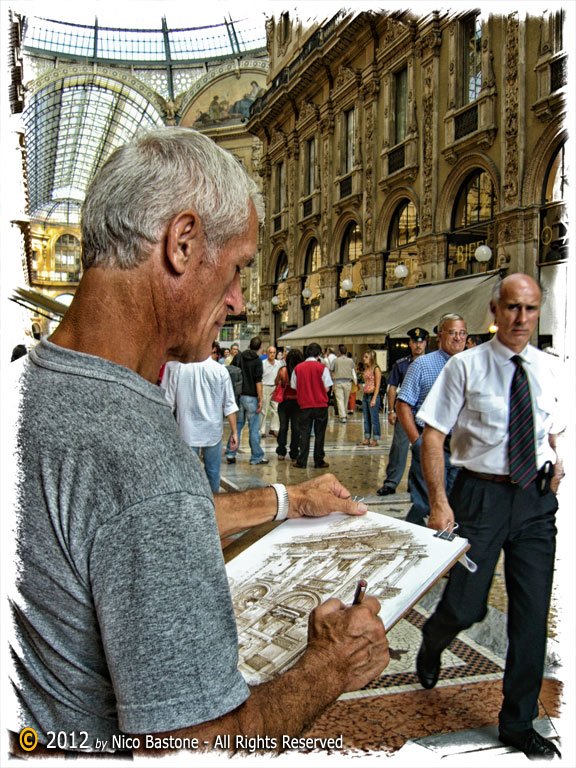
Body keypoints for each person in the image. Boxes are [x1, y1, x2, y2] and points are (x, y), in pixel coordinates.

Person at [6, 127, 389, 757]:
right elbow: (194, 747)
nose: (239, 300)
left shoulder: (28, 382)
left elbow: (109, 527)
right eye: (238, 266)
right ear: (182, 244)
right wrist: (333, 665)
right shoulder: (141, 454)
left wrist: (285, 500)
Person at [416, 274, 565, 760]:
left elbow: (555, 429)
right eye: (512, 308)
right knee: (466, 605)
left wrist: (560, 462)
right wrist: (439, 502)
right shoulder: (465, 367)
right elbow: (434, 435)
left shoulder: (552, 369)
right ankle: (435, 637)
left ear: (538, 312)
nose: (521, 318)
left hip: (535, 502)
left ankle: (517, 722)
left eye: (530, 309)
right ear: (494, 310)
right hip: (480, 497)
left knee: (531, 614)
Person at [396, 315, 467, 525]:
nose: (457, 338)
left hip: (462, 449)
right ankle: (418, 546)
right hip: (430, 444)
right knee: (427, 505)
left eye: (462, 333)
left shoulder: (471, 364)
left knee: (456, 504)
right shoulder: (422, 365)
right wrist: (418, 442)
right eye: (452, 332)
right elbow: (403, 404)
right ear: (440, 335)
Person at [162, 344, 239, 493]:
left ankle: (191, 505)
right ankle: (213, 505)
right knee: (213, 472)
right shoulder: (220, 370)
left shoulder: (179, 368)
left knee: (187, 474)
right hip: (213, 431)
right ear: (212, 349)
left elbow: (168, 403)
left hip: (186, 431)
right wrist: (234, 432)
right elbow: (229, 404)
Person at [376, 327, 429, 495]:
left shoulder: (432, 362)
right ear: (410, 344)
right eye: (415, 342)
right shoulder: (401, 364)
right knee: (399, 448)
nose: (418, 345)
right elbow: (392, 388)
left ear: (425, 343)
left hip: (426, 413)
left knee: (423, 449)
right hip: (405, 412)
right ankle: (391, 483)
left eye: (421, 342)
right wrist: (391, 410)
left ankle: (416, 485)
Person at [225, 336, 268, 466]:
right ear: (260, 348)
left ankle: (231, 453)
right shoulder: (257, 361)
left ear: (249, 345)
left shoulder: (239, 356)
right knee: (254, 428)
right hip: (251, 397)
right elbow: (258, 381)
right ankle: (256, 457)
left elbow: (230, 371)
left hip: (238, 396)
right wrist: (260, 399)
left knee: (237, 426)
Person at [291, 342, 332, 469]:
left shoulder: (298, 368)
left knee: (304, 433)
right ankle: (319, 460)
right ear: (318, 354)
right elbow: (327, 387)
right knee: (320, 434)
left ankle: (301, 460)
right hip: (320, 405)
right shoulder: (322, 368)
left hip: (304, 405)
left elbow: (293, 386)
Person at [275, 348, 304, 462]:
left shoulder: (283, 370)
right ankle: (294, 452)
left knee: (283, 427)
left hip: (284, 402)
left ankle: (281, 451)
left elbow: (276, 382)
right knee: (296, 428)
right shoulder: (301, 371)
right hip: (297, 403)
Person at [358, 350, 382, 446]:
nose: (364, 358)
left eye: (366, 357)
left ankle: (375, 439)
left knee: (374, 418)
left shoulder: (376, 369)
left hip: (373, 395)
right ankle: (367, 437)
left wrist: (374, 398)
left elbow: (378, 385)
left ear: (372, 358)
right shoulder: (366, 369)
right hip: (365, 395)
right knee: (366, 418)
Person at [331, 344, 357, 423]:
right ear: (346, 352)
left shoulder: (335, 360)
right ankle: (344, 414)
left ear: (339, 351)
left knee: (340, 400)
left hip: (338, 382)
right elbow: (353, 370)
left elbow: (331, 370)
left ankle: (342, 416)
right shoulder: (350, 360)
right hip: (348, 382)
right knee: (346, 399)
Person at [260, 344, 282, 438]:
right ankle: (262, 430)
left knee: (276, 409)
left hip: (275, 387)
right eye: (270, 352)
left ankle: (274, 428)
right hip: (265, 386)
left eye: (274, 352)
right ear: (267, 353)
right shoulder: (263, 363)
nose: (272, 354)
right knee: (264, 410)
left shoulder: (279, 363)